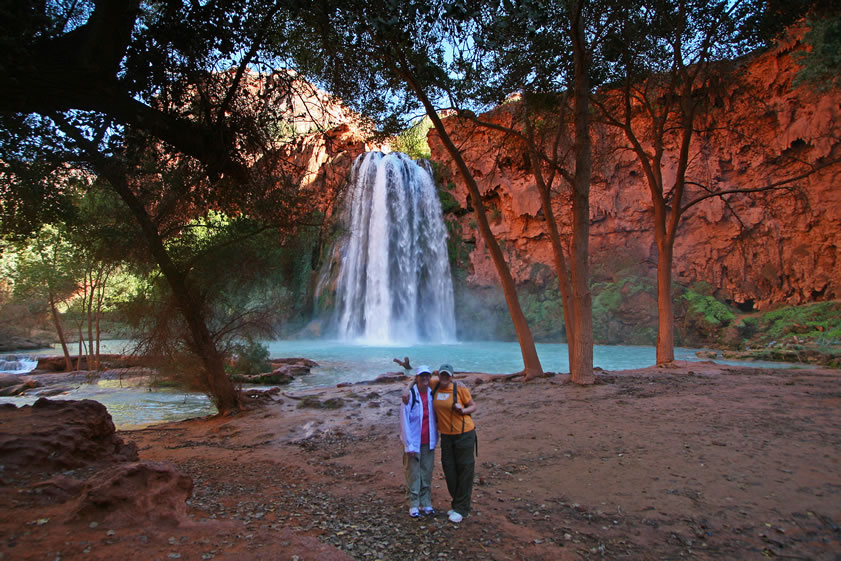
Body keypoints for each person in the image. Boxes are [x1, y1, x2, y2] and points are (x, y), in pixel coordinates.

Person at [432, 364, 477, 523]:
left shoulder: (460, 389)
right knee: (449, 469)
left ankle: (462, 509)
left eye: (447, 375)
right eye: (442, 374)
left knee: (465, 469)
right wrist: (405, 390)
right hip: (446, 436)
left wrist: (462, 410)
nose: (444, 377)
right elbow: (417, 381)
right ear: (438, 374)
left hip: (464, 434)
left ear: (452, 376)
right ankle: (457, 503)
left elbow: (473, 406)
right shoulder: (434, 385)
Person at [400, 365, 438, 517]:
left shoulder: (432, 393)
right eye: (421, 376)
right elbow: (404, 421)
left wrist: (460, 384)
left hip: (429, 440)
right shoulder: (410, 396)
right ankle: (413, 504)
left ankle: (426, 502)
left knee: (427, 472)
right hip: (414, 441)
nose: (425, 378)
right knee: (413, 473)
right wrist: (408, 444)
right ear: (416, 378)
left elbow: (448, 382)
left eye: (427, 376)